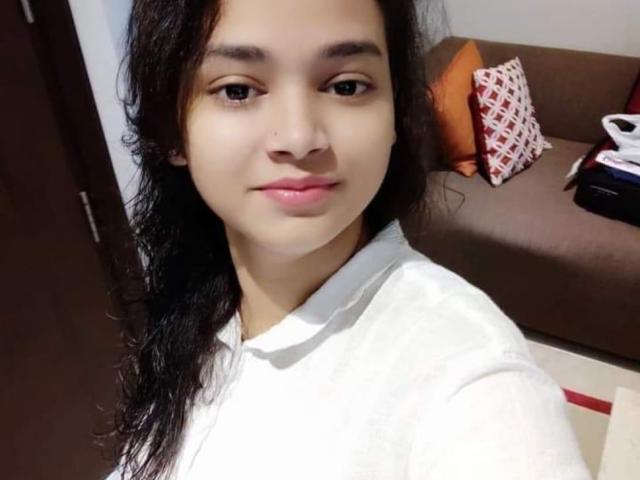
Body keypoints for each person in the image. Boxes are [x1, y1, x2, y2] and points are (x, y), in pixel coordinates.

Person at [106, 0, 592, 478]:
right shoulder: (190, 301)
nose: (299, 139)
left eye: (346, 86)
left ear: (396, 114)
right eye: (237, 90)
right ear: (172, 132)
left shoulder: (470, 371)